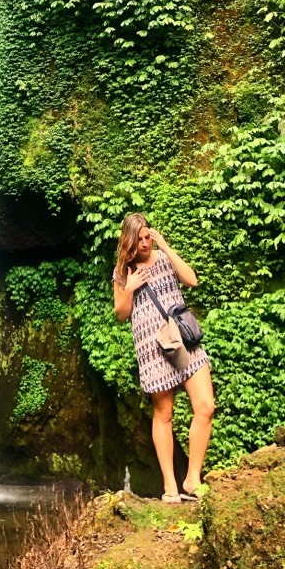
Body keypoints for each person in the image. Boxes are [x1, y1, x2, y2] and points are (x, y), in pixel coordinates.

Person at [112, 212, 214, 504]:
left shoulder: (163, 256)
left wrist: (166, 247)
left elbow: (191, 280)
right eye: (139, 239)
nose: (145, 243)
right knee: (164, 413)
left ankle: (192, 478)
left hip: (184, 341)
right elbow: (121, 314)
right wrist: (130, 287)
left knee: (205, 406)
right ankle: (170, 486)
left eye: (147, 237)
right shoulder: (122, 270)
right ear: (129, 240)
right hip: (152, 347)